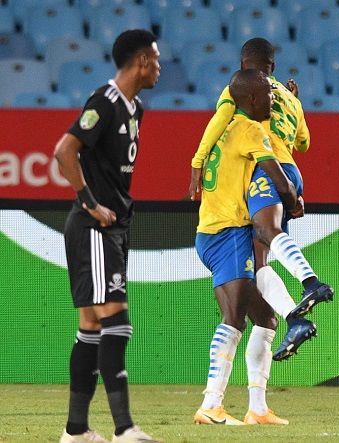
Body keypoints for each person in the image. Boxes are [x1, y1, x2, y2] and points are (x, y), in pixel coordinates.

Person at [189, 37, 333, 362]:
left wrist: (197, 162)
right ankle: (293, 324)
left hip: (268, 168)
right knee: (261, 264)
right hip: (291, 169)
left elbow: (218, 121)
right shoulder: (287, 97)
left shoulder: (243, 90)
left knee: (266, 236)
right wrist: (294, 104)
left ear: (243, 65)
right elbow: (306, 143)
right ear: (274, 67)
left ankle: (310, 283)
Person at [54, 30, 161, 443]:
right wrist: (89, 203)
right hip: (95, 226)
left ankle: (76, 431)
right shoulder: (106, 102)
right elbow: (65, 150)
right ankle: (125, 429)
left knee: (90, 327)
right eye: (154, 58)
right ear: (139, 61)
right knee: (117, 321)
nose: (159, 66)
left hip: (111, 227)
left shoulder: (136, 109)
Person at [192, 68, 297, 427]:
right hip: (228, 234)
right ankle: (211, 405)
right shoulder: (250, 129)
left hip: (209, 231)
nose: (273, 98)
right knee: (233, 318)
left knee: (264, 318)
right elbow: (277, 173)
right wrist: (293, 198)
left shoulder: (221, 128)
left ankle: (258, 408)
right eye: (268, 93)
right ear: (251, 99)